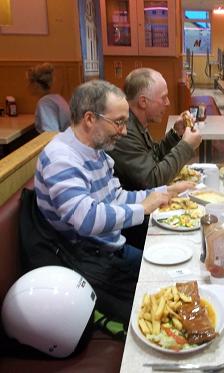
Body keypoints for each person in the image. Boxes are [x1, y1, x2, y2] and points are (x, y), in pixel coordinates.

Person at [32, 80, 173, 322]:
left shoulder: (96, 152)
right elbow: (86, 219)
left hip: (112, 249)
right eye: (118, 122)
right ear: (89, 118)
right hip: (90, 263)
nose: (125, 131)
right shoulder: (61, 159)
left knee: (174, 270)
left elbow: (116, 197)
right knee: (166, 296)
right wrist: (144, 208)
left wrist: (165, 192)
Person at [108, 67, 202, 191]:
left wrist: (175, 134)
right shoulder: (124, 131)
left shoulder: (137, 122)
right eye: (163, 97)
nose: (167, 102)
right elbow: (152, 180)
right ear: (143, 102)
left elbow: (154, 158)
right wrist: (186, 146)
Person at [27, 62, 71, 133]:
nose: (27, 86)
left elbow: (50, 134)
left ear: (36, 85)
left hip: (61, 142)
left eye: (29, 83)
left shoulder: (45, 103)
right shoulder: (57, 98)